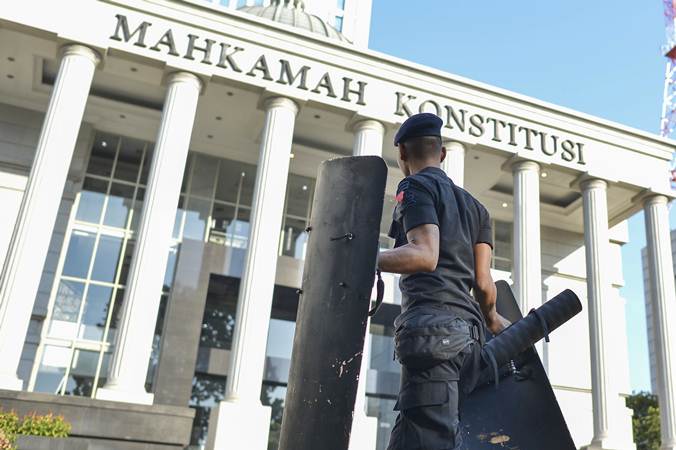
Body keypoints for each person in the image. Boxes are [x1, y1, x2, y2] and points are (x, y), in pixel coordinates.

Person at [377, 112, 510, 450]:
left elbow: (425, 254)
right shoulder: (477, 208)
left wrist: (358, 257)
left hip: (432, 337)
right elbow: (483, 284)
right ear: (443, 153)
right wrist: (493, 320)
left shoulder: (414, 185)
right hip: (468, 343)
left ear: (403, 154)